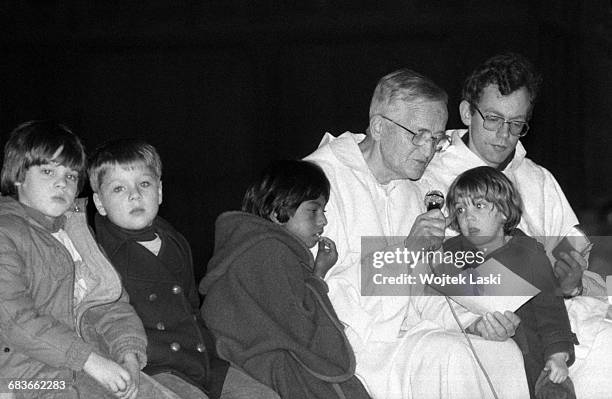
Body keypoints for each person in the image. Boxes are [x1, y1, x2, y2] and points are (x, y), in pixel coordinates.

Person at [304, 69, 530, 398]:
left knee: (503, 354)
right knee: (451, 358)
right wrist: (407, 252)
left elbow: (425, 291)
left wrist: (471, 322)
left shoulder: (415, 190)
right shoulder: (319, 184)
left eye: (436, 138)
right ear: (379, 127)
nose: (427, 150)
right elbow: (314, 289)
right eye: (418, 135)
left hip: (411, 334)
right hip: (355, 345)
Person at [420, 52, 612, 398]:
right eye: (493, 119)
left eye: (516, 124)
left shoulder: (537, 179)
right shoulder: (430, 175)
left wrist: (572, 281)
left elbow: (573, 253)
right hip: (482, 329)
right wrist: (473, 318)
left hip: (555, 324)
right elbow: (422, 275)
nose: (504, 135)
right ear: (467, 113)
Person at [0, 121, 184, 399]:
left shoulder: (75, 233)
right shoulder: (6, 233)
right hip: (23, 380)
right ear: (18, 176)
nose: (62, 182)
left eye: (72, 175)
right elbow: (16, 322)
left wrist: (129, 354)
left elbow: (107, 302)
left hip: (82, 368)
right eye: (48, 171)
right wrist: (91, 361)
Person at [88, 139, 280, 399]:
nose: (135, 195)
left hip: (202, 359)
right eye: (119, 188)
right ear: (100, 203)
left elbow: (191, 307)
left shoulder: (174, 240)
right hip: (154, 367)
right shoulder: (98, 254)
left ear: (159, 191)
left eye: (144, 184)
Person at [200, 160, 371, 399]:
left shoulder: (251, 246)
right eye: (313, 210)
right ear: (277, 211)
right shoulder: (269, 250)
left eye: (324, 211)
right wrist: (318, 278)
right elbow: (302, 328)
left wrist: (315, 273)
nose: (323, 221)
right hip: (270, 368)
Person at [443, 166, 576, 398]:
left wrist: (557, 356)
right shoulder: (452, 252)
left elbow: (551, 313)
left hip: (526, 357)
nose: (468, 216)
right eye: (461, 209)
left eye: (479, 205)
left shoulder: (529, 254)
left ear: (504, 211)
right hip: (475, 354)